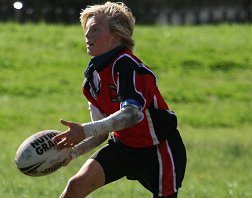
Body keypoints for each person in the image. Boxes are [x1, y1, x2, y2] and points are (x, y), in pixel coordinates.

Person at [52, 2, 187, 198]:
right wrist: (73, 152)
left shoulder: (126, 65)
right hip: (123, 147)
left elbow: (132, 115)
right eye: (86, 30)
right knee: (76, 186)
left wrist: (84, 130)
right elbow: (101, 132)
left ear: (115, 35)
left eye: (95, 30)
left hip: (158, 149)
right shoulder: (92, 79)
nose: (87, 35)